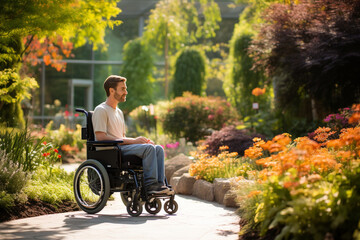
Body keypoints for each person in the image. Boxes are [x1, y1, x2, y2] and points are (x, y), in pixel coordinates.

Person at [92, 75, 171, 195]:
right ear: (112, 90)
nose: (126, 92)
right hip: (111, 150)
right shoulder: (101, 110)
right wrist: (134, 141)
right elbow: (100, 137)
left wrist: (139, 141)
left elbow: (122, 137)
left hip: (121, 148)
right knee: (149, 149)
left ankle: (160, 186)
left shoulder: (119, 112)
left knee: (158, 148)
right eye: (122, 89)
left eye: (125, 88)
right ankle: (150, 186)